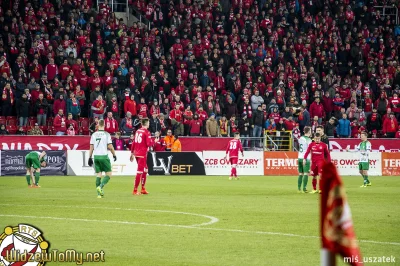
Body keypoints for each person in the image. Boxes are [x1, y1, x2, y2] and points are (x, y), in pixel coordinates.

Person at [88, 119, 117, 198]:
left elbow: (91, 147)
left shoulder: (94, 135)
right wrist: (114, 154)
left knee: (99, 174)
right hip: (104, 156)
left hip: (96, 157)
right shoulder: (107, 134)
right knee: (109, 174)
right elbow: (110, 146)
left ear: (98, 125)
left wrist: (89, 157)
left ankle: (98, 195)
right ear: (104, 125)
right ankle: (100, 187)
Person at [130, 118, 155, 195]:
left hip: (137, 153)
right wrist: (154, 141)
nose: (149, 124)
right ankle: (135, 190)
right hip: (142, 154)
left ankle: (143, 188)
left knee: (145, 170)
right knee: (140, 171)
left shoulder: (137, 131)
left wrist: (132, 153)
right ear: (146, 124)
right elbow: (148, 144)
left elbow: (134, 142)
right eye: (148, 123)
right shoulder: (146, 132)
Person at [297, 127, 312, 193]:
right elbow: (309, 149)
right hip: (306, 158)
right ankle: (304, 188)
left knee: (300, 174)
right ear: (309, 131)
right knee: (306, 173)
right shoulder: (308, 140)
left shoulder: (301, 138)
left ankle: (299, 189)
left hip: (299, 157)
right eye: (310, 131)